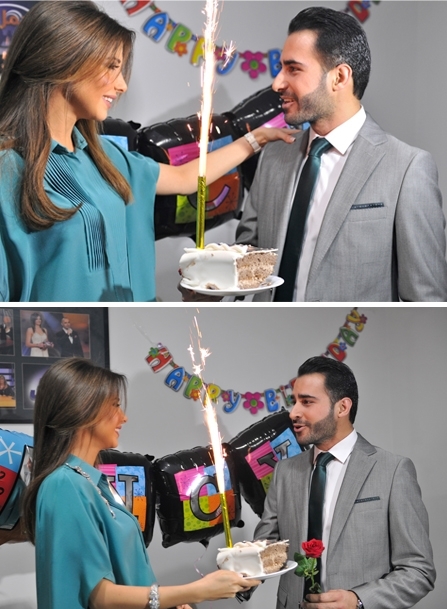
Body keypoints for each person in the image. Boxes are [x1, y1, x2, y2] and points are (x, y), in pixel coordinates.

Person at [0, 1, 295, 303]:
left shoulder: (104, 157)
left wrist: (254, 139)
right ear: (62, 60)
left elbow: (185, 178)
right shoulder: (7, 169)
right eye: (111, 67)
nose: (122, 85)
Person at [236, 6, 447, 302]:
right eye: (281, 68)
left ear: (339, 77)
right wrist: (211, 282)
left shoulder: (407, 168)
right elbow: (250, 264)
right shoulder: (273, 157)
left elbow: (426, 302)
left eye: (293, 69)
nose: (277, 83)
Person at [21, 358, 260, 609]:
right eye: (115, 405)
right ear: (84, 409)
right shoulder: (65, 485)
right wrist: (197, 591)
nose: (123, 418)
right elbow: (101, 597)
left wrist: (169, 604)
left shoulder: (92, 482)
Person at [253, 356, 435, 609]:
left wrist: (358, 600)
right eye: (294, 402)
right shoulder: (285, 471)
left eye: (307, 402)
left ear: (342, 407)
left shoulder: (393, 471)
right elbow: (268, 549)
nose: (293, 413)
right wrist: (240, 568)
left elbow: (418, 572)